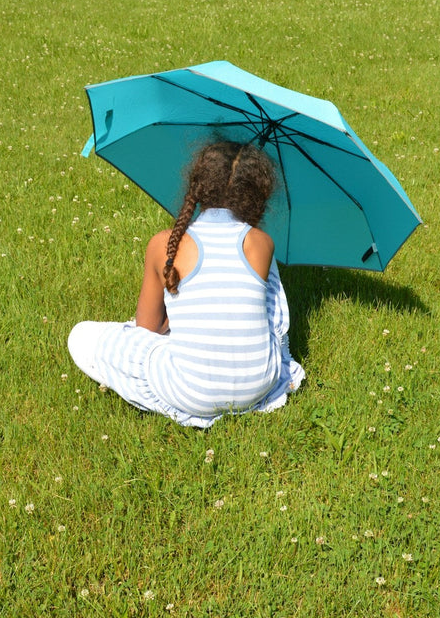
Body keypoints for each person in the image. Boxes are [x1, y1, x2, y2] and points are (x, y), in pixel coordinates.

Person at [67, 141, 305, 427]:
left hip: (190, 392)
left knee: (81, 336)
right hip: (259, 384)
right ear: (258, 195)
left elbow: (146, 329)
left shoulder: (166, 244)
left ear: (197, 185)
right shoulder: (262, 243)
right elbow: (268, 318)